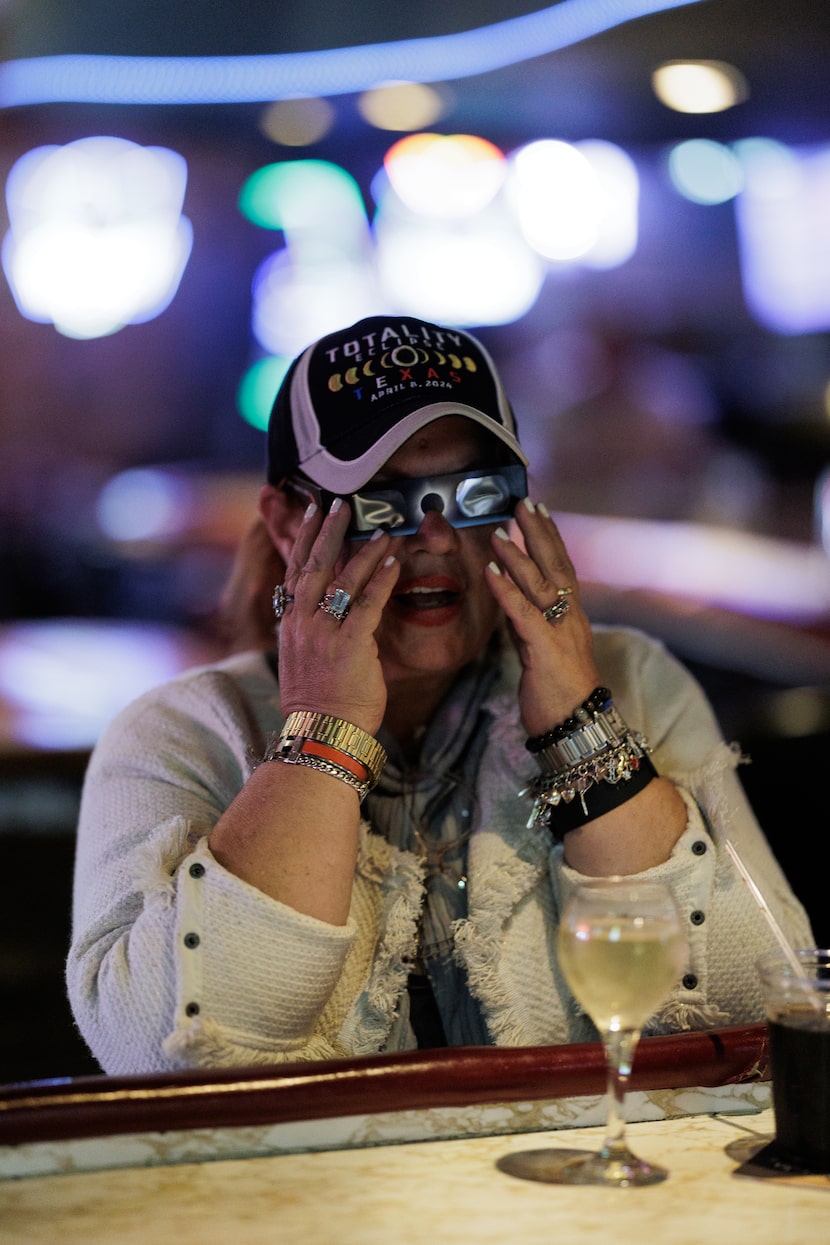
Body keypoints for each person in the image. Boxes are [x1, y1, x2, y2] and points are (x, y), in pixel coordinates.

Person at [68, 315, 813, 1075]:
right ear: (289, 523)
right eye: (381, 501)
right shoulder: (179, 732)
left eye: (474, 493)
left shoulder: (629, 680)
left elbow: (764, 1008)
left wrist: (579, 724)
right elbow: (161, 1056)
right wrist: (324, 728)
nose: (434, 537)